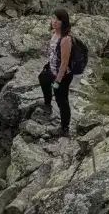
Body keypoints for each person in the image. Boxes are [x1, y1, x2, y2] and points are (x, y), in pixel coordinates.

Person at [38, 8, 74, 137]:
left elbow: (64, 63)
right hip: (52, 69)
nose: (54, 21)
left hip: (63, 75)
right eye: (53, 18)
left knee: (62, 101)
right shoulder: (55, 33)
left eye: (58, 19)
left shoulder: (66, 39)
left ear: (63, 22)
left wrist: (58, 81)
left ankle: (65, 128)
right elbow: (53, 54)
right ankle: (47, 104)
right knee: (42, 78)